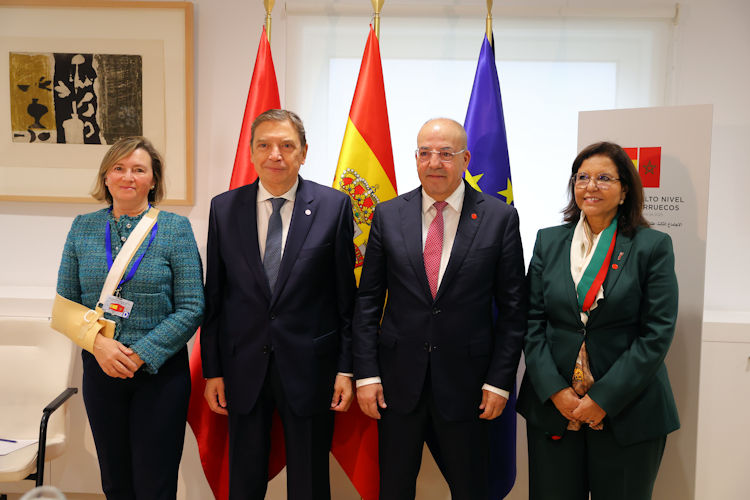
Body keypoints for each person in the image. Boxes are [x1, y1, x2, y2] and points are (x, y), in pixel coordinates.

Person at [353, 118, 526, 499]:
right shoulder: (388, 214)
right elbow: (367, 303)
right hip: (396, 385)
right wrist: (366, 374)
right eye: (425, 153)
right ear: (415, 158)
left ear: (465, 159)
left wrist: (499, 381)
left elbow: (514, 311)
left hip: (469, 386)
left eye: (446, 153)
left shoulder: (499, 218)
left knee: (471, 489)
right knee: (394, 489)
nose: (434, 163)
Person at [200, 109, 356, 500]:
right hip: (243, 366)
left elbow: (345, 299)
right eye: (264, 145)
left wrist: (345, 368)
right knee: (245, 479)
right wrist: (212, 371)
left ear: (303, 152)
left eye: (287, 145)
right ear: (251, 152)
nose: (275, 155)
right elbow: (215, 296)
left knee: (309, 481)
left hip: (311, 367)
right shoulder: (224, 208)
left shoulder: (334, 206)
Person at [517, 141, 680, 500]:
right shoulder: (548, 241)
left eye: (604, 178)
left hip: (628, 411)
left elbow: (656, 333)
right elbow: (532, 322)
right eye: (582, 177)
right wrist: (556, 392)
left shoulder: (651, 246)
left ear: (625, 191)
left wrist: (603, 399)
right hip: (556, 410)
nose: (590, 186)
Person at [55, 136, 205, 499]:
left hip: (160, 375)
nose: (128, 177)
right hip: (101, 370)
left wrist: (140, 354)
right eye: (119, 168)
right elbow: (65, 305)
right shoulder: (82, 227)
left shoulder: (175, 229)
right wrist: (101, 347)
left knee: (156, 483)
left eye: (139, 169)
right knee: (115, 481)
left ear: (153, 180)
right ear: (106, 177)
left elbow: (191, 306)